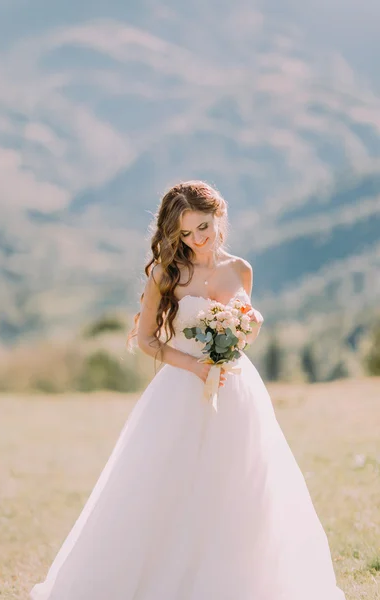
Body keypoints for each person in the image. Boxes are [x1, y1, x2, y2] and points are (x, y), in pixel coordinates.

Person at [30, 181, 346, 599]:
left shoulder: (241, 270)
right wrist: (194, 366)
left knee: (240, 486)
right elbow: (147, 341)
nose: (197, 239)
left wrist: (250, 327)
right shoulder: (167, 274)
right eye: (185, 233)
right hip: (180, 391)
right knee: (163, 488)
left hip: (236, 392)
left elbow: (238, 334)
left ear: (219, 217)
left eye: (203, 227)